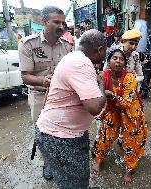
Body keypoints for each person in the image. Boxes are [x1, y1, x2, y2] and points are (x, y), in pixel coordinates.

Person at [35, 29, 107, 188]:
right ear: (100, 49)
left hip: (65, 133)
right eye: (106, 50)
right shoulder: (82, 63)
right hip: (60, 137)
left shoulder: (74, 57)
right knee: (75, 184)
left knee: (70, 180)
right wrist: (102, 85)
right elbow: (94, 107)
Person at [18, 6, 73, 180]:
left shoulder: (68, 46)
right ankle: (48, 163)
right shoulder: (28, 44)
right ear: (44, 22)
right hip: (39, 95)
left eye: (63, 23)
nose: (61, 26)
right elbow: (25, 76)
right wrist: (43, 80)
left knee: (63, 130)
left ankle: (62, 158)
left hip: (62, 96)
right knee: (43, 134)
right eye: (57, 22)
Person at [92, 49, 147, 185]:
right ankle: (99, 159)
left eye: (121, 59)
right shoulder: (103, 75)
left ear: (125, 63)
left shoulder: (130, 78)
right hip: (114, 109)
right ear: (109, 61)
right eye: (114, 58)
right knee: (106, 135)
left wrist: (112, 95)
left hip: (130, 112)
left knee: (131, 140)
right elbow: (95, 94)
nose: (118, 61)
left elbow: (127, 102)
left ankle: (129, 169)